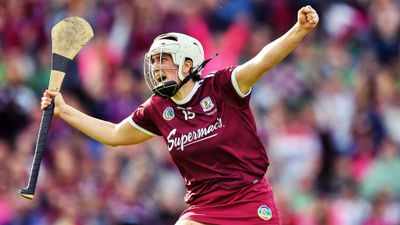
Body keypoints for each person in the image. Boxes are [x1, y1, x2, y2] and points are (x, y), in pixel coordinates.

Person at [41, 5, 319, 225]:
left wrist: (298, 29)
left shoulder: (222, 86)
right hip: (204, 208)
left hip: (249, 199)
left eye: (165, 61)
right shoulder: (157, 108)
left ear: (188, 64)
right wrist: (65, 111)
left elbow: (262, 60)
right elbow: (114, 135)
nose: (157, 69)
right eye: (154, 63)